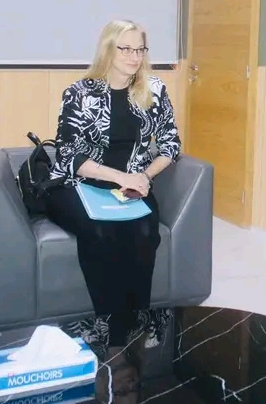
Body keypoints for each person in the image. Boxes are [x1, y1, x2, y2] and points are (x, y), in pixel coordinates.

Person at [45, 20, 181, 363]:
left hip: (131, 185)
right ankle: (108, 327)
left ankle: (136, 320)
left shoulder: (155, 90)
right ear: (108, 49)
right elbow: (68, 155)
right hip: (78, 183)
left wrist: (143, 176)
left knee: (146, 232)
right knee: (99, 232)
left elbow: (171, 145)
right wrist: (120, 176)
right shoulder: (80, 92)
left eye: (140, 49)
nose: (134, 57)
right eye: (126, 49)